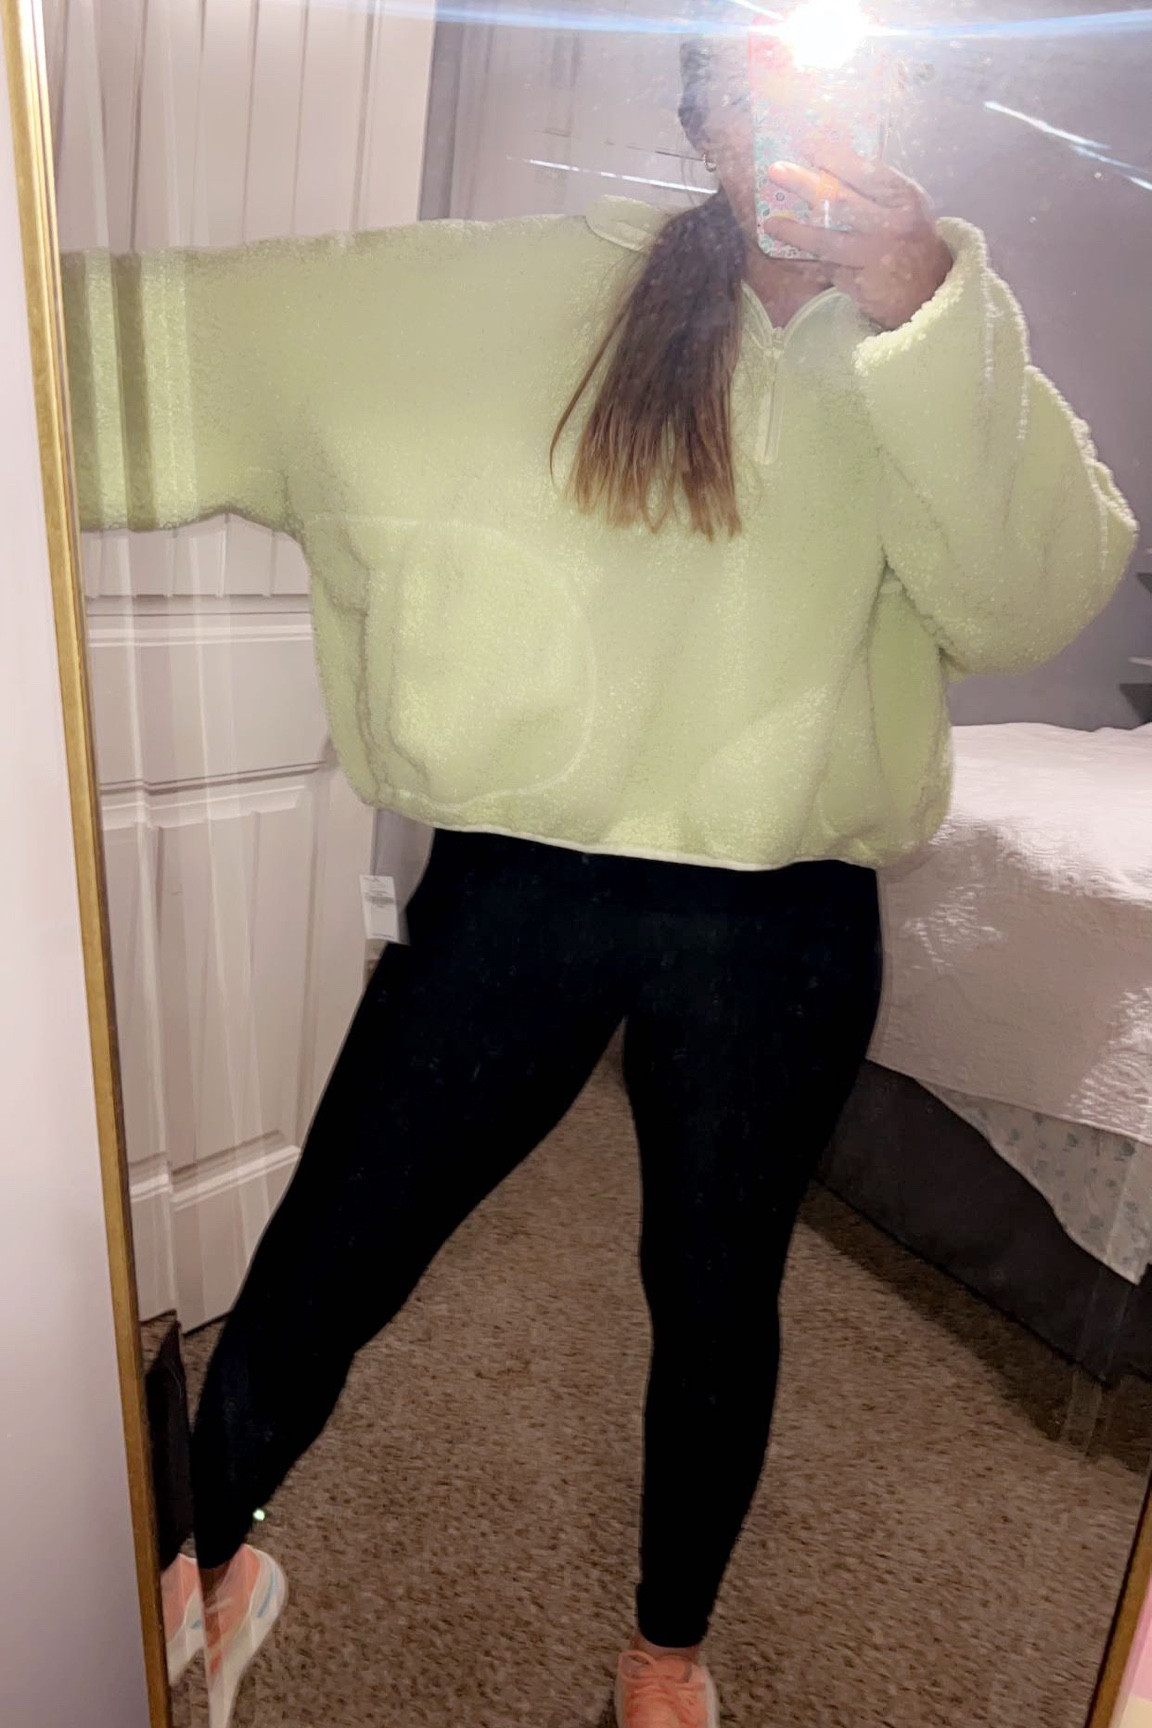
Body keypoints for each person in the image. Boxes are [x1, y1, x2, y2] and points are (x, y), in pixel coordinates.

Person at [63, 20, 1136, 1728]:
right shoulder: (498, 295)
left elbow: (1031, 601)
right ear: (699, 112)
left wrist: (919, 300)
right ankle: (212, 1562)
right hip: (517, 894)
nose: (797, 124)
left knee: (715, 1300)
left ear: (906, 100)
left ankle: (663, 1663)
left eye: (844, 79)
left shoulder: (941, 333)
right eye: (755, 83)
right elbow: (119, 351)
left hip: (779, 915)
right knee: (334, 1248)